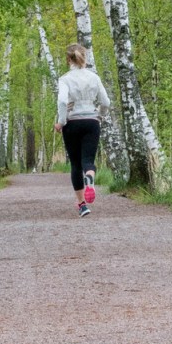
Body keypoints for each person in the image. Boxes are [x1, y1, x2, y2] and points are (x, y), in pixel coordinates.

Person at [54, 43, 110, 217]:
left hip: (72, 123)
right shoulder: (94, 77)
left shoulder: (65, 79)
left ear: (68, 59)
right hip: (91, 121)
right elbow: (106, 102)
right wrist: (100, 116)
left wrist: (61, 122)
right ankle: (90, 179)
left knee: (76, 164)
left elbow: (63, 101)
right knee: (88, 161)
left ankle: (82, 205)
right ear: (84, 58)